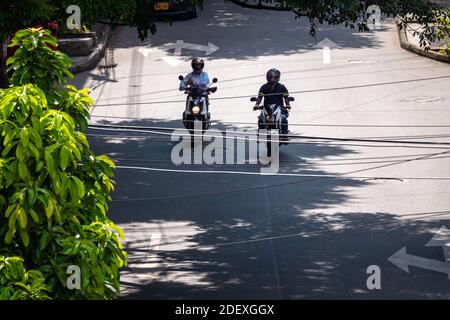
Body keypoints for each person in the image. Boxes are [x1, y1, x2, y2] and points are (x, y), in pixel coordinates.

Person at [253, 68, 291, 140]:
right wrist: (256, 105)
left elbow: (286, 97)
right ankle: (262, 135)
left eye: (273, 77)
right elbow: (260, 97)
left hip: (279, 108)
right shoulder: (264, 87)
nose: (271, 79)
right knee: (261, 119)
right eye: (270, 77)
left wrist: (288, 104)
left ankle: (284, 135)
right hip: (267, 108)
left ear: (277, 78)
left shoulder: (282, 87)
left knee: (283, 119)